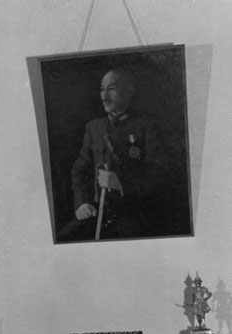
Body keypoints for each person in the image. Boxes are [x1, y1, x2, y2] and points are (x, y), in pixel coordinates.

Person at [59, 68, 170, 241]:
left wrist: (120, 181)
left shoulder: (147, 126)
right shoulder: (94, 128)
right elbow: (79, 170)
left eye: (111, 89)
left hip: (134, 214)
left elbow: (161, 173)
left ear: (129, 92)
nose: (104, 96)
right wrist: (82, 202)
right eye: (102, 89)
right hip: (97, 212)